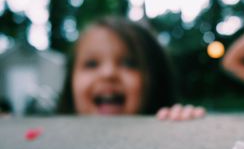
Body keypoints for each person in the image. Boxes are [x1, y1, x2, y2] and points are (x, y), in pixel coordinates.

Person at [58, 16, 205, 120]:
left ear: (157, 80)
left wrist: (182, 120)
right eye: (91, 64)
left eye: (129, 63)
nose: (108, 73)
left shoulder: (168, 120)